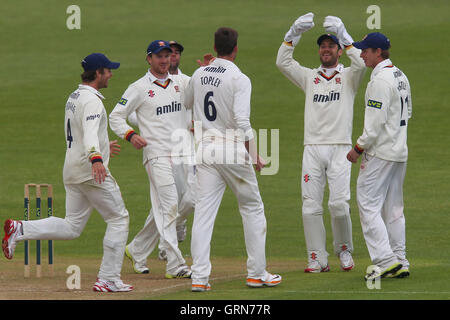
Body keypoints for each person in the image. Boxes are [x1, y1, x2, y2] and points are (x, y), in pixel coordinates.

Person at [2, 53, 133, 292]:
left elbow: (83, 132)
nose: (111, 74)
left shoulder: (74, 96)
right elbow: (90, 133)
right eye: (108, 70)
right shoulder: (93, 101)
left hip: (72, 169)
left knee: (72, 226)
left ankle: (20, 229)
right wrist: (96, 158)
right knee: (119, 218)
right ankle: (108, 278)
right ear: (97, 73)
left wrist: (103, 147)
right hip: (89, 171)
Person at [184, 27, 282, 292]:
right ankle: (256, 273)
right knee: (252, 209)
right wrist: (254, 155)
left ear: (214, 48)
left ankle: (199, 278)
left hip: (204, 150)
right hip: (232, 150)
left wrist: (203, 73)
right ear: (236, 49)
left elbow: (186, 102)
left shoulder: (198, 72)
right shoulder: (240, 78)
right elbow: (241, 121)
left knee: (203, 214)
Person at [276, 13, 366, 273]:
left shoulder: (350, 76)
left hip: (340, 148)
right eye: (323, 45)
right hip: (312, 149)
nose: (326, 49)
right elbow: (283, 63)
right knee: (310, 206)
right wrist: (293, 33)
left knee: (338, 205)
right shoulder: (309, 77)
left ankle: (344, 249)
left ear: (339, 51)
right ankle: (316, 257)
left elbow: (360, 64)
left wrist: (345, 34)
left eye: (331, 45)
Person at [109, 40, 193, 279]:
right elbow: (115, 116)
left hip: (183, 153)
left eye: (168, 56)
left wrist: (207, 70)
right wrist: (131, 135)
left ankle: (137, 249)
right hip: (157, 156)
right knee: (169, 207)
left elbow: (201, 97)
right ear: (149, 59)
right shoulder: (138, 88)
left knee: (191, 200)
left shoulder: (182, 82)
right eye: (160, 56)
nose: (165, 60)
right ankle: (175, 264)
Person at [347, 32, 411, 280]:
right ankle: (400, 260)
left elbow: (374, 125)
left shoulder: (380, 81)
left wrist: (358, 149)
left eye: (365, 50)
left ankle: (385, 260)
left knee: (367, 204)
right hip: (398, 152)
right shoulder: (400, 75)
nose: (362, 54)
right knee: (394, 209)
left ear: (377, 52)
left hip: (380, 153)